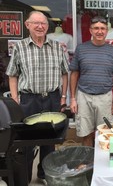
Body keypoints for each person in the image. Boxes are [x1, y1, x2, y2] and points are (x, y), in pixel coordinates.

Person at [5, 10, 69, 185]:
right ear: (28, 25)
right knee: (27, 140)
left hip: (52, 98)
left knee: (49, 141)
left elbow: (65, 73)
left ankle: (44, 174)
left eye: (44, 24)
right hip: (29, 99)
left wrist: (63, 97)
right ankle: (24, 177)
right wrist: (16, 99)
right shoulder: (20, 47)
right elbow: (12, 74)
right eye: (36, 23)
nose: (40, 27)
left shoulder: (57, 47)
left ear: (48, 27)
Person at [69, 16, 113, 147]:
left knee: (105, 133)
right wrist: (73, 98)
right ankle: (88, 164)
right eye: (96, 28)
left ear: (106, 31)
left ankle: (103, 164)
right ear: (90, 30)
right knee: (86, 133)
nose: (99, 31)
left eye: (103, 29)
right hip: (84, 97)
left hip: (105, 97)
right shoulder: (81, 49)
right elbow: (74, 73)